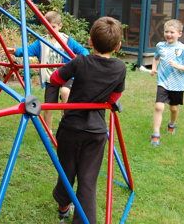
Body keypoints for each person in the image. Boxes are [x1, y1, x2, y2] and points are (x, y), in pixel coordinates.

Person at [49, 16, 126, 224]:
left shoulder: (80, 62)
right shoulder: (120, 68)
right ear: (118, 46)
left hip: (71, 128)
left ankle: (63, 205)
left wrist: (52, 105)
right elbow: (114, 98)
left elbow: (55, 79)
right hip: (96, 132)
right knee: (88, 180)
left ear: (90, 41)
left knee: (67, 170)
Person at [10, 11, 89, 134]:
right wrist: (16, 51)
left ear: (60, 26)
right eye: (47, 27)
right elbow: (28, 50)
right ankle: (48, 132)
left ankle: (67, 122)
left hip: (66, 76)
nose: (50, 30)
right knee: (48, 106)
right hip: (50, 78)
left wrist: (82, 60)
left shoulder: (67, 41)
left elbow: (83, 51)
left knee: (65, 92)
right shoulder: (42, 42)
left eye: (53, 27)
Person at [150, 19, 184, 147]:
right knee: (159, 107)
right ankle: (156, 134)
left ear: (179, 34)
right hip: (163, 82)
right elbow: (156, 57)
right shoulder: (160, 46)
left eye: (172, 32)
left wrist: (178, 66)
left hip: (177, 84)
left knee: (173, 108)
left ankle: (172, 124)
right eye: (166, 32)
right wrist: (154, 68)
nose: (168, 34)